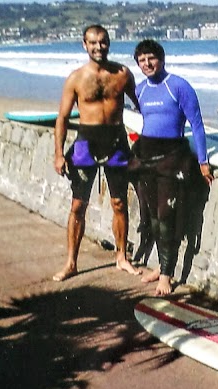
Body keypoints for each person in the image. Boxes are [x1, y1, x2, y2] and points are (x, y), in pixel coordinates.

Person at [53, 24, 141, 282]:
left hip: (115, 141)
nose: (98, 47)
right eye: (92, 42)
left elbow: (141, 105)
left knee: (118, 203)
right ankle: (71, 262)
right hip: (85, 143)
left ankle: (121, 257)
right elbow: (62, 117)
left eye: (102, 42)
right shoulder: (76, 78)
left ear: (109, 42)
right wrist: (58, 154)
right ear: (84, 45)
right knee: (78, 204)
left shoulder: (123, 74)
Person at [133, 39, 213, 296]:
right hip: (146, 157)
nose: (147, 63)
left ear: (162, 59)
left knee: (167, 218)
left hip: (172, 157)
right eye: (142, 60)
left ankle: (166, 274)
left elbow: (197, 125)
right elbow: (145, 120)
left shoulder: (179, 86)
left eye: (151, 58)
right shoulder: (140, 90)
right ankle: (160, 266)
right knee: (153, 218)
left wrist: (203, 161)